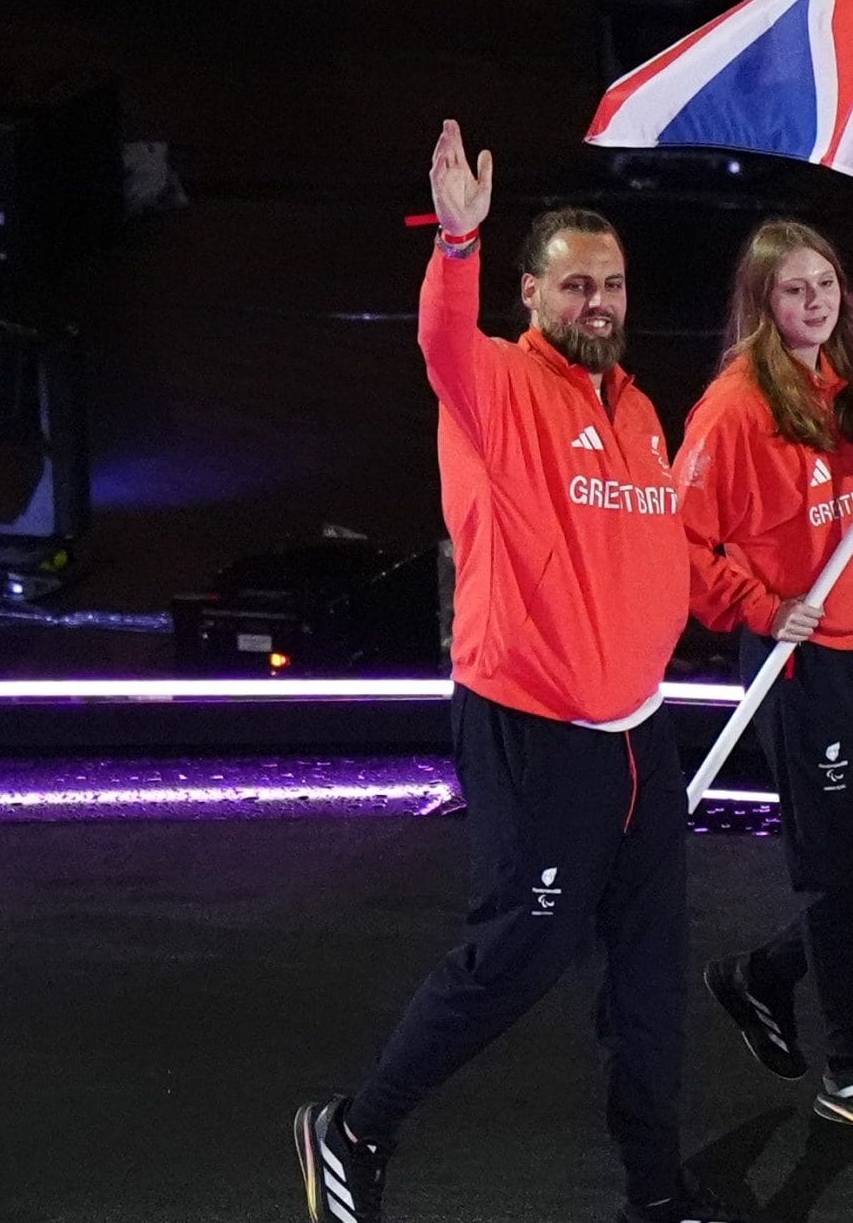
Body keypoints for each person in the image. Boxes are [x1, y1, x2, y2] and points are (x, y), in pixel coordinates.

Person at [292, 121, 749, 1223]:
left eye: (614, 285)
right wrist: (458, 245)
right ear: (533, 299)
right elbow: (442, 343)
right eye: (577, 285)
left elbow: (661, 556)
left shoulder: (637, 413)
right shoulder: (496, 386)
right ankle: (354, 1128)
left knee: (647, 982)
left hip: (640, 736)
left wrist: (769, 593)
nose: (599, 302)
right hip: (533, 727)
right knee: (517, 957)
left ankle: (656, 1192)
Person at [674, 219, 853, 1135]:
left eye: (825, 284)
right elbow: (678, 544)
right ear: (763, 304)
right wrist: (756, 605)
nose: (815, 302)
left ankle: (762, 974)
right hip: (803, 660)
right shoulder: (733, 409)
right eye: (795, 290)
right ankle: (850, 1065)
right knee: (836, 874)